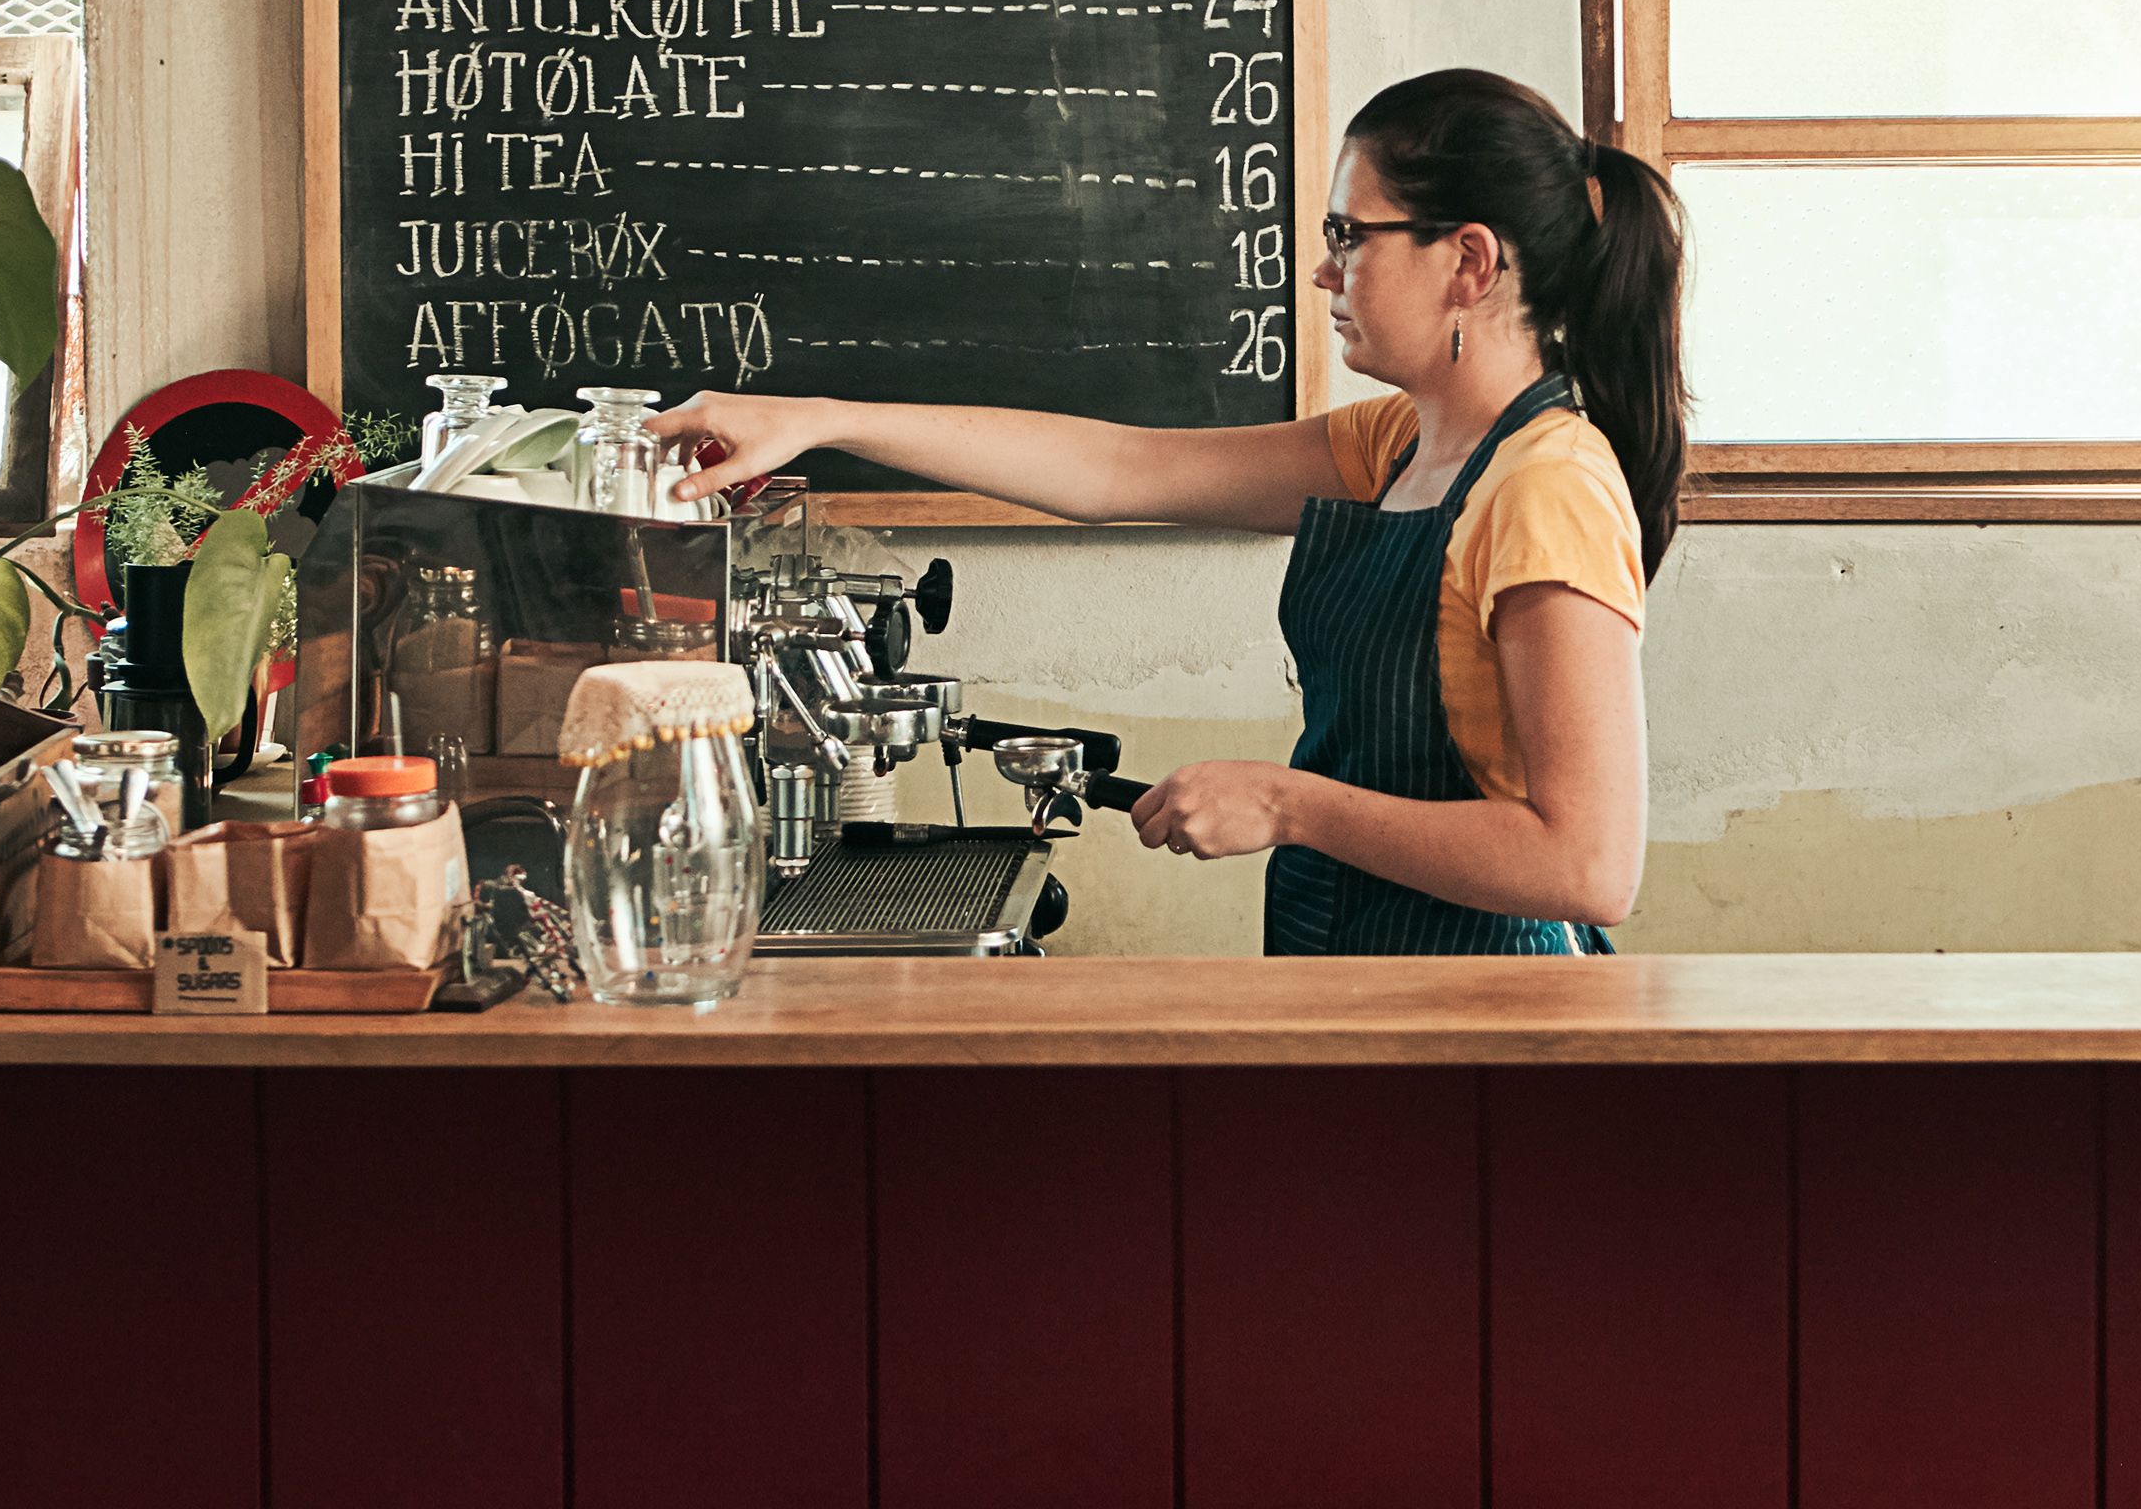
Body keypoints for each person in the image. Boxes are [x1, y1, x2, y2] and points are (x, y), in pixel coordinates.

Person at [649, 68, 1682, 953]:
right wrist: (815, 417)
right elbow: (1117, 469)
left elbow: (1587, 864)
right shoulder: (1398, 446)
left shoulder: (1548, 486)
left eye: (1347, 234)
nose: (1322, 267)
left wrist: (1286, 803)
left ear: (1468, 260)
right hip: (1355, 969)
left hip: (1486, 1012)